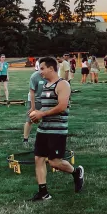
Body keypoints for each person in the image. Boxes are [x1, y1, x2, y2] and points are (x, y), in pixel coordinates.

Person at [28, 57, 84, 201]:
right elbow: (46, 107)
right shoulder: (46, 85)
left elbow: (62, 106)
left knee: (54, 162)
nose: (40, 72)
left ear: (51, 68)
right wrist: (36, 116)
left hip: (57, 131)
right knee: (39, 159)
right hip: (43, 129)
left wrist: (42, 113)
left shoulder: (62, 84)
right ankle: (43, 192)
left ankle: (76, 172)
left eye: (42, 68)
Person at [23, 59, 46, 148]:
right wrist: (33, 107)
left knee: (45, 120)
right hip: (34, 100)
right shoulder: (34, 76)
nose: (41, 70)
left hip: (45, 100)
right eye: (40, 68)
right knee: (29, 119)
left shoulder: (49, 76)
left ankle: (44, 139)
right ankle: (25, 139)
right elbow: (32, 92)